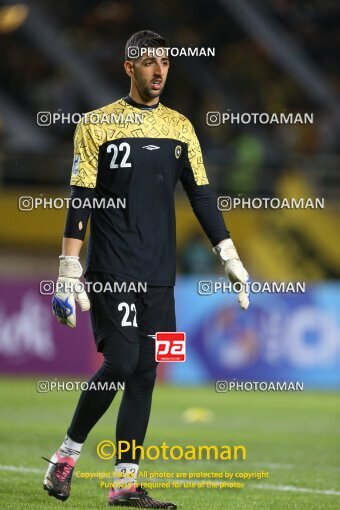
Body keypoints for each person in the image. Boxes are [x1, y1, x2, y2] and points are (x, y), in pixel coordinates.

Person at [43, 30, 249, 509]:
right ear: (128, 67)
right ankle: (67, 456)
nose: (159, 70)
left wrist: (230, 256)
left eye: (166, 63)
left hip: (161, 274)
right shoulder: (97, 125)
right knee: (120, 363)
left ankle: (125, 485)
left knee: (146, 372)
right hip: (113, 268)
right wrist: (67, 270)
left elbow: (201, 195)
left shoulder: (181, 128)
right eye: (149, 62)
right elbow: (82, 199)